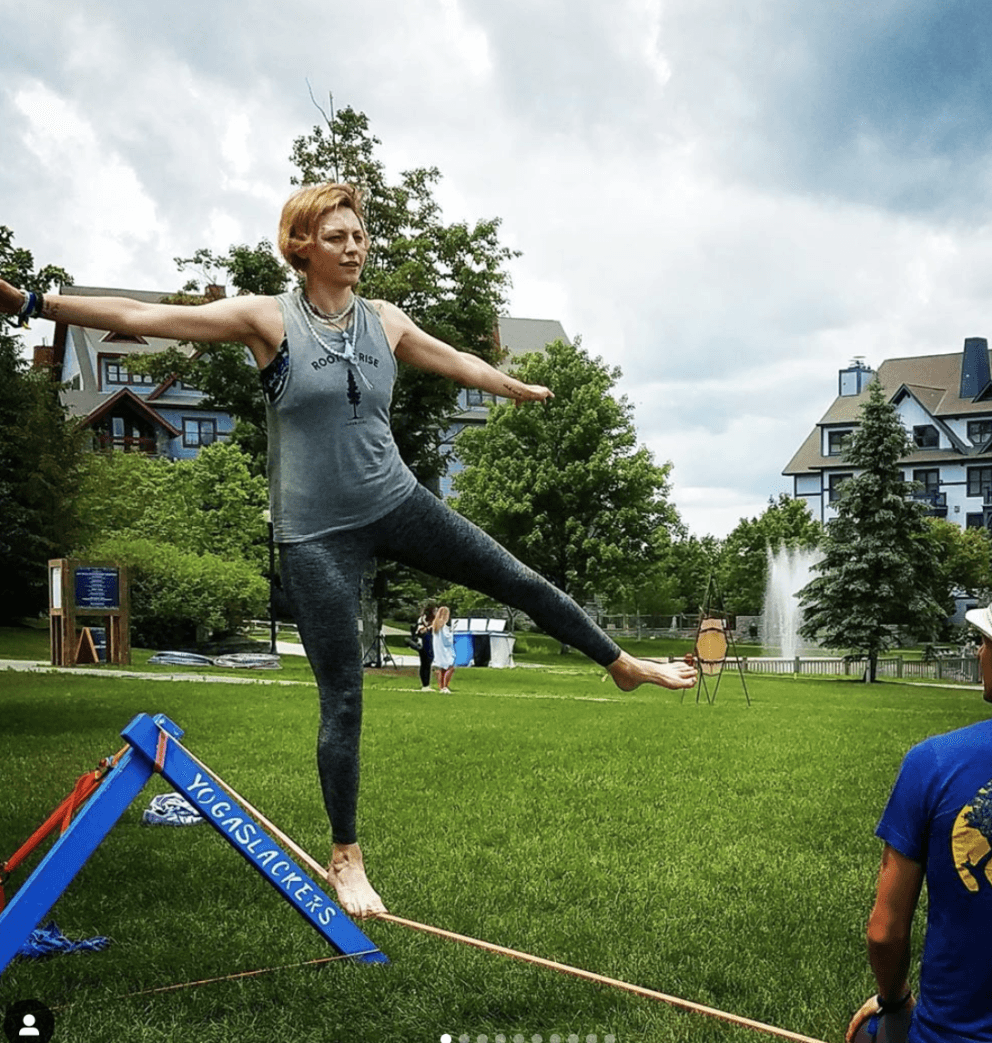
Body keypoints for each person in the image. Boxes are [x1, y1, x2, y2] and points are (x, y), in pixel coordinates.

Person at [0, 182, 697, 919]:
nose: (355, 246)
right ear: (302, 247)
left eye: (359, 235)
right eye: (337, 237)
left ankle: (619, 664)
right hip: (314, 534)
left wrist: (510, 384)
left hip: (396, 501)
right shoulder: (266, 319)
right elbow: (147, 316)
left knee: (514, 575)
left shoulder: (385, 320)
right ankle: (346, 855)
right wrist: (33, 307)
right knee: (343, 695)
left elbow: (455, 359)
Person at [846, 605, 992, 1043]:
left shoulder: (934, 762)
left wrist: (893, 1001)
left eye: (986, 642)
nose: (979, 652)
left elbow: (885, 931)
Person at [431, 605, 456, 692]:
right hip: (445, 650)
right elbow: (447, 640)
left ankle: (441, 686)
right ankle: (445, 686)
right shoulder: (443, 626)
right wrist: (452, 632)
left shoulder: (436, 625)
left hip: (438, 649)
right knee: (450, 667)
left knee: (440, 668)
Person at [415, 602, 436, 690]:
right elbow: (420, 631)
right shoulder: (422, 619)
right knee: (425, 662)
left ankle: (426, 684)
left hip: (431, 641)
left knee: (428, 663)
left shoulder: (435, 620)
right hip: (424, 641)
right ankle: (425, 684)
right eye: (435, 610)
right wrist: (428, 628)